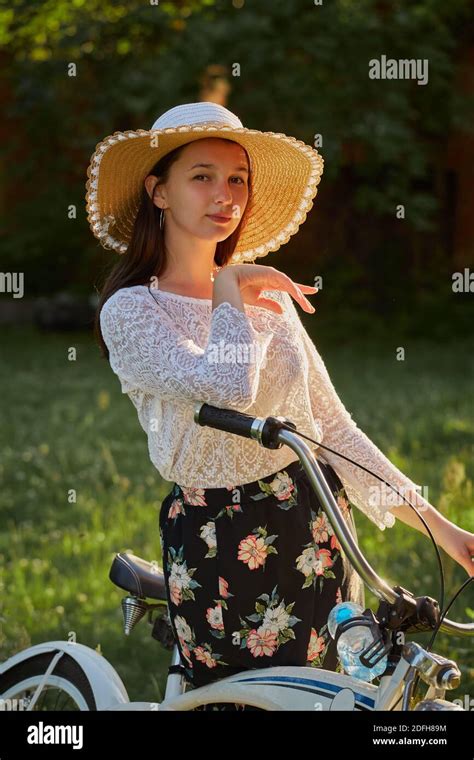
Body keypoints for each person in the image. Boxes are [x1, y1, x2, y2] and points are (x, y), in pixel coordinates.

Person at [88, 102, 474, 696]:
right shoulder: (134, 311)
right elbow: (229, 390)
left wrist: (445, 531)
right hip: (220, 536)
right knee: (246, 701)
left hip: (314, 521)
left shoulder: (268, 301)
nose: (226, 194)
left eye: (237, 179)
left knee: (330, 697)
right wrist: (228, 282)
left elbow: (333, 431)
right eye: (203, 176)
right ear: (157, 191)